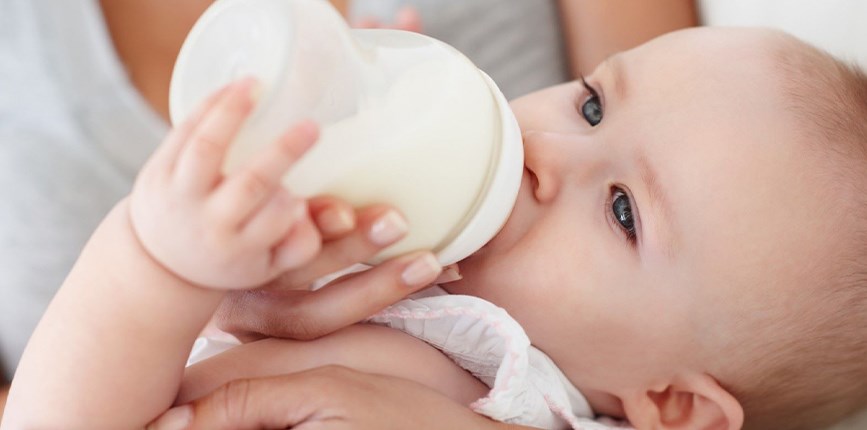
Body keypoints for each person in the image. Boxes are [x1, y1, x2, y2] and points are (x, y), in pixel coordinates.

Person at [6, 26, 867, 430]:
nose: (546, 148)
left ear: (672, 405)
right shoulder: (356, 246)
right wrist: (159, 270)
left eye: (620, 211)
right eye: (592, 103)